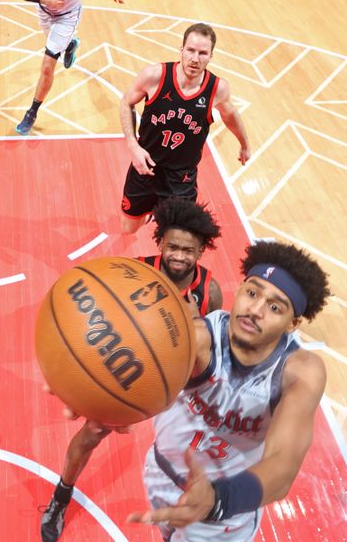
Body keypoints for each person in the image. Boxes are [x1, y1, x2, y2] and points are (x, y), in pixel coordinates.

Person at [40, 197, 223, 542]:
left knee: (202, 455)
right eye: (173, 247)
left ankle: (182, 523)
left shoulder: (208, 290)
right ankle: (60, 496)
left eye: (189, 250)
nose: (179, 256)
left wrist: (197, 327)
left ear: (201, 251)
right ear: (159, 243)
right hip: (127, 378)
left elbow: (208, 355)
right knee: (92, 432)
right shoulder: (132, 272)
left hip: (180, 388)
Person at [126, 240, 331, 541]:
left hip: (225, 507)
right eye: (252, 292)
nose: (255, 310)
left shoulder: (299, 372)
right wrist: (92, 392)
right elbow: (137, 365)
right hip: (161, 473)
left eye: (275, 307)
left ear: (293, 323)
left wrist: (217, 500)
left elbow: (282, 466)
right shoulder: (198, 337)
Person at [119, 23, 251, 234]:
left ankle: (162, 216)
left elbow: (230, 115)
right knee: (128, 228)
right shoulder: (155, 76)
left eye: (202, 53)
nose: (195, 58)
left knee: (175, 235)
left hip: (181, 179)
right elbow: (126, 102)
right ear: (181, 50)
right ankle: (152, 212)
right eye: (190, 50)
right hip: (145, 167)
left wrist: (244, 144)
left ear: (211, 56)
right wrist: (132, 145)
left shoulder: (217, 89)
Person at [15, 0, 124, 135]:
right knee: (55, 46)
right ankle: (71, 44)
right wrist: (46, 0)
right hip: (46, 12)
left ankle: (32, 112)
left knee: (47, 66)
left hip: (68, 15)